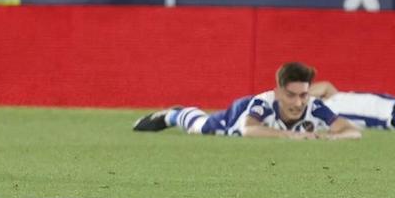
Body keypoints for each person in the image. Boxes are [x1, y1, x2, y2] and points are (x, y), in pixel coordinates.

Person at [133, 61, 362, 138]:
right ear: (279, 92)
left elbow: (351, 131)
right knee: (201, 127)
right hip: (238, 115)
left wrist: (332, 139)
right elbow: (248, 129)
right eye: (291, 95)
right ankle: (174, 114)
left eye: (303, 95)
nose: (298, 103)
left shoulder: (314, 106)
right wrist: (290, 136)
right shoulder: (264, 103)